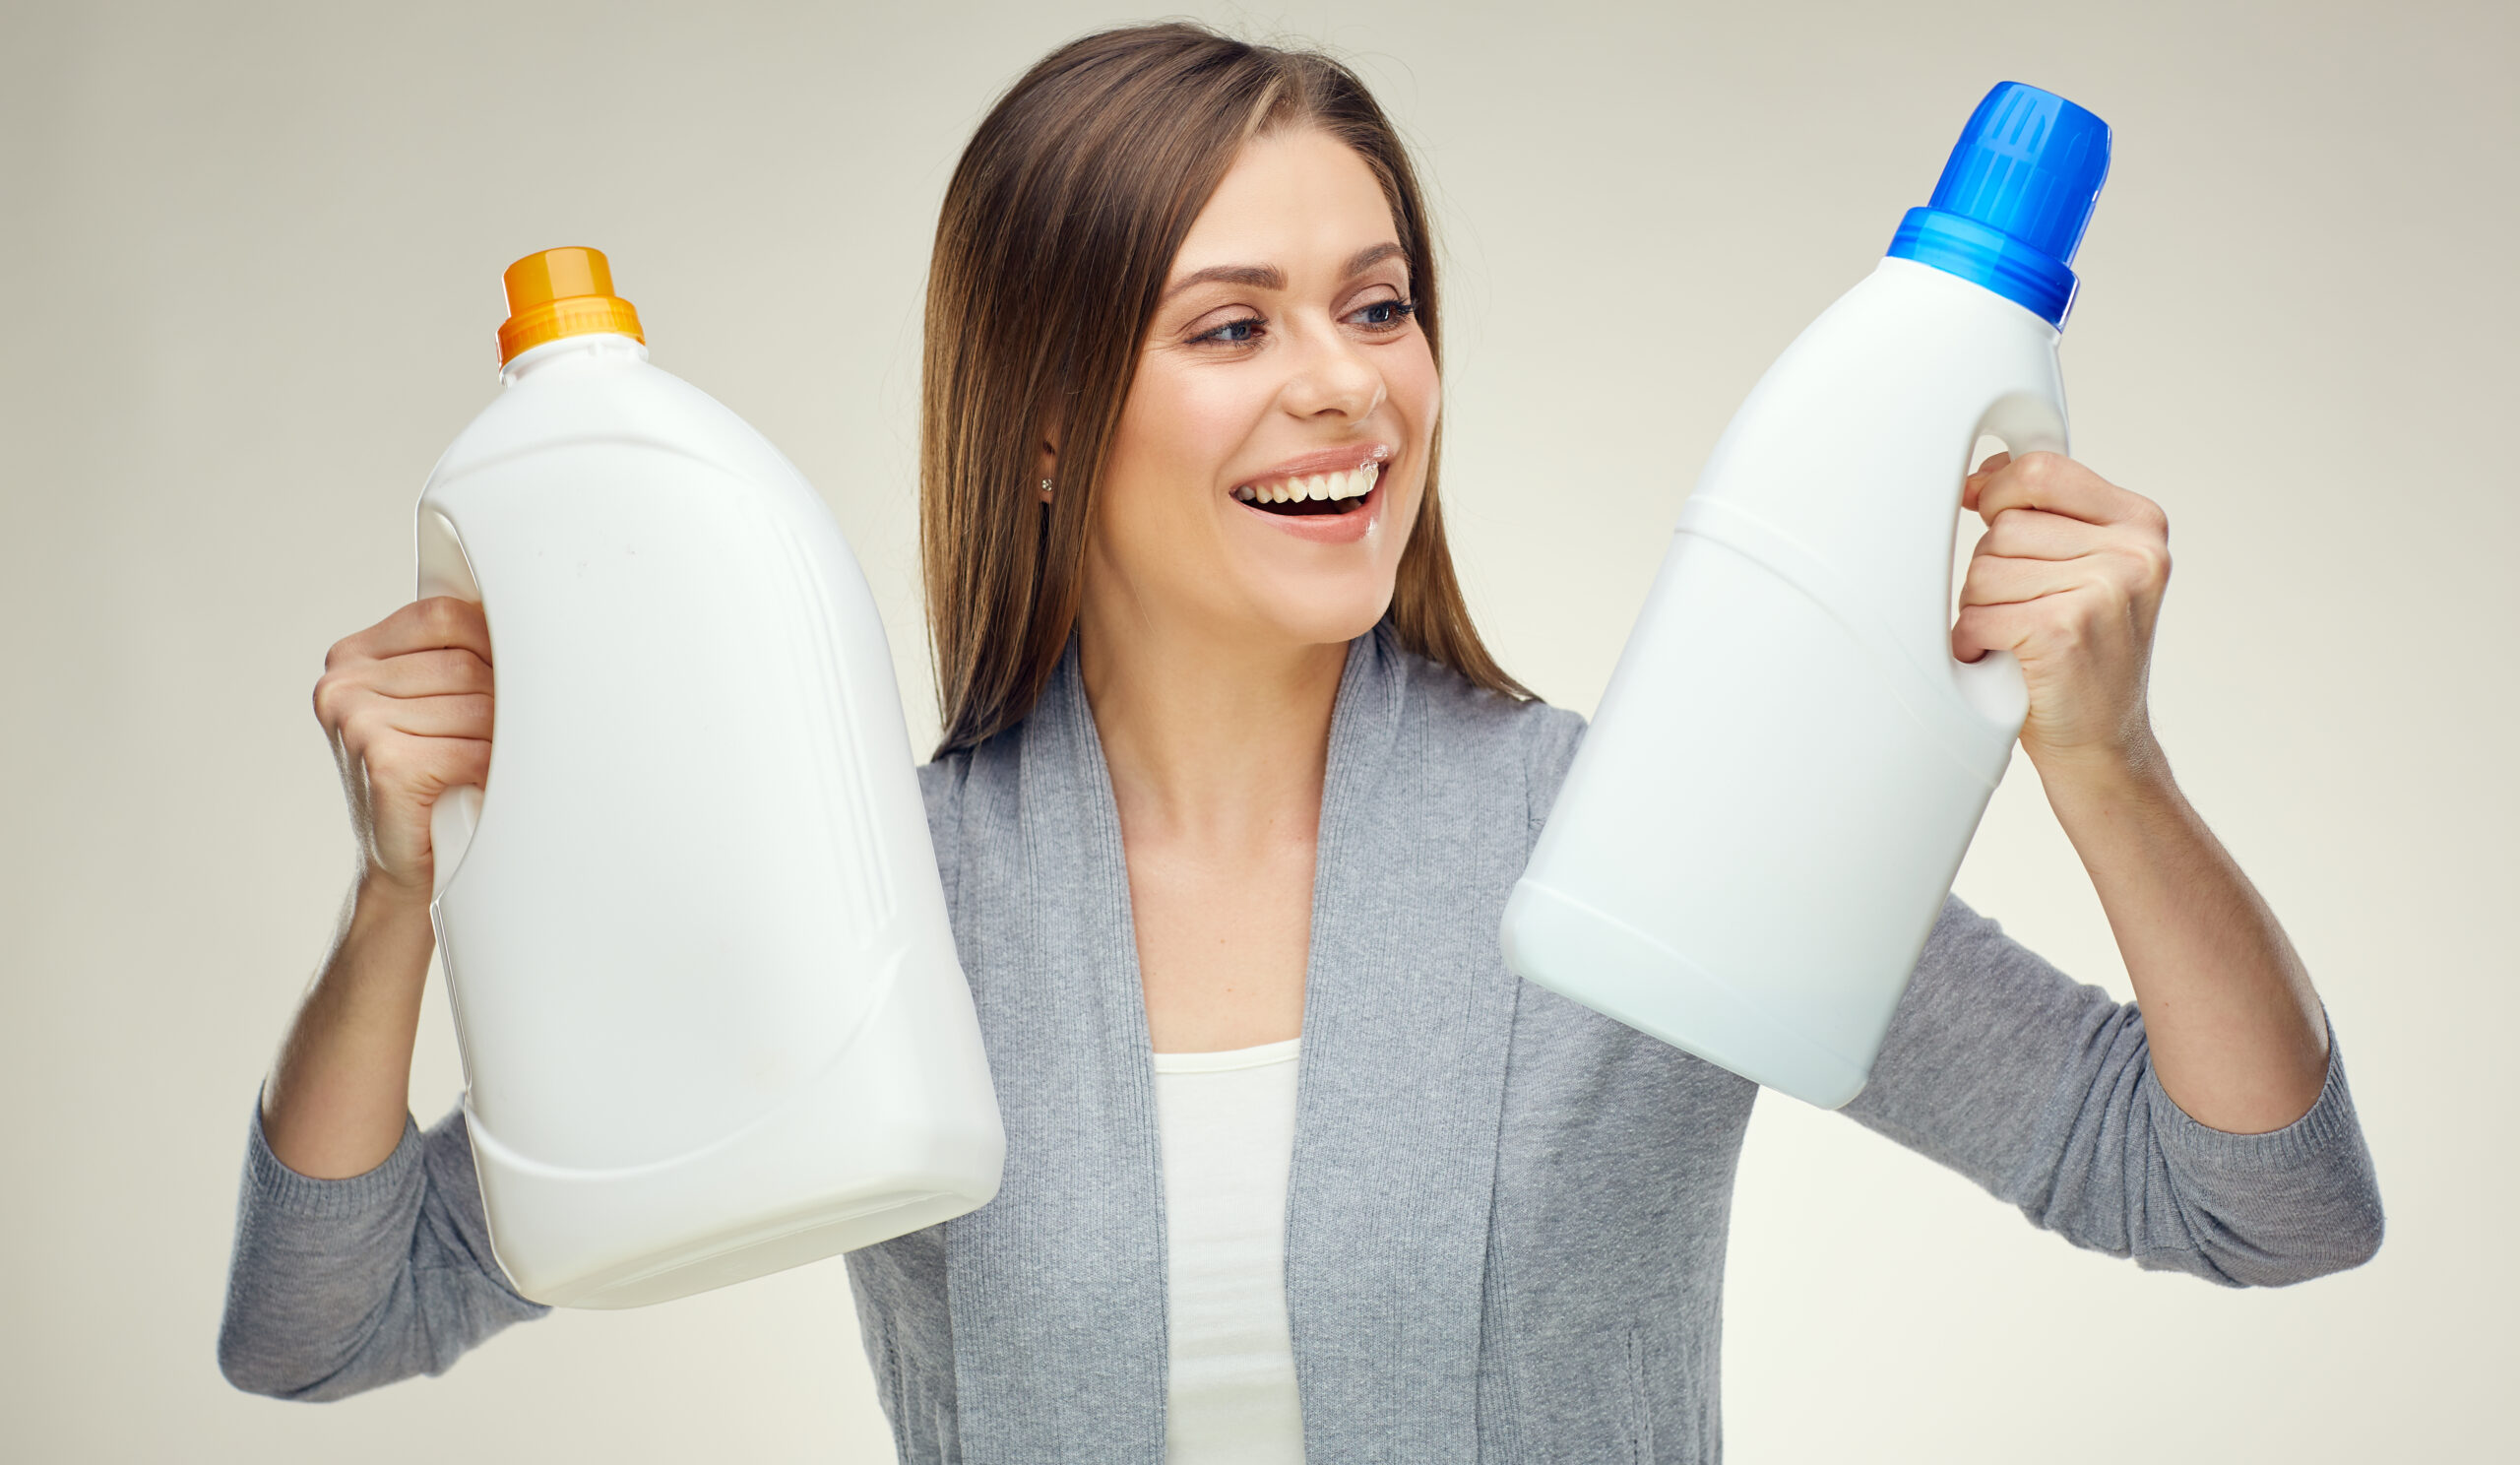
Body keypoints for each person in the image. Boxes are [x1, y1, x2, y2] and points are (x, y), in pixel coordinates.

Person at [218, 21, 2382, 1462]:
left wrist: (2102, 768)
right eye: (1229, 326)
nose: (1344, 388)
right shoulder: (885, 901)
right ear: (1053, 415)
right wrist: (410, 883)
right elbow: (333, 1320)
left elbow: (2249, 1202)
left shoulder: (1642, 842)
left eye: (1375, 304)